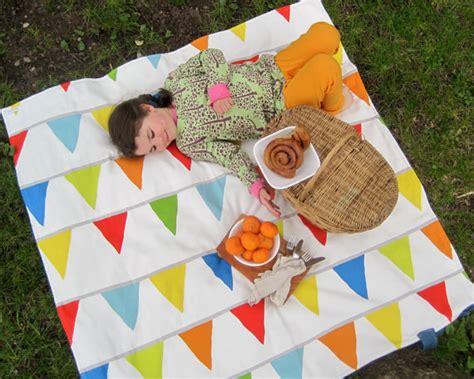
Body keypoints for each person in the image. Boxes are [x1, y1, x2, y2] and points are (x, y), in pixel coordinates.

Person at [109, 22, 343, 217]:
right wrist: (255, 185)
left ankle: (316, 79)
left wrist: (217, 87)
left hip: (272, 69)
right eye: (152, 148)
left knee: (327, 34)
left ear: (147, 108)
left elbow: (211, 56)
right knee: (326, 67)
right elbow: (229, 156)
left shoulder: (176, 82)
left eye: (151, 134)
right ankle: (332, 108)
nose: (159, 142)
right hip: (281, 105)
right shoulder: (190, 142)